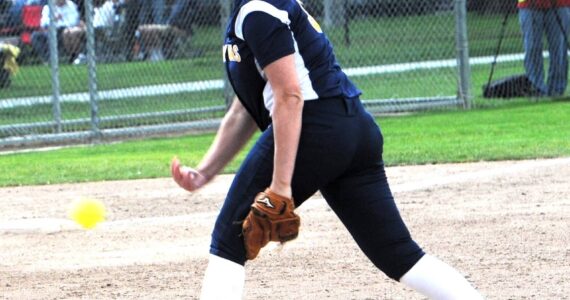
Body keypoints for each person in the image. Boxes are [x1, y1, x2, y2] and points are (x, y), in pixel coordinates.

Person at [171, 0, 485, 299]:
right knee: (396, 253)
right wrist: (204, 172)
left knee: (230, 237)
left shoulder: (258, 9)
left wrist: (280, 188)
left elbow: (290, 95)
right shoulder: (257, 8)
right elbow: (243, 110)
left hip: (315, 126)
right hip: (353, 127)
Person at [518, 0, 570, 97]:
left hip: (560, 3)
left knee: (558, 48)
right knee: (532, 47)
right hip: (529, 5)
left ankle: (557, 89)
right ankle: (536, 87)